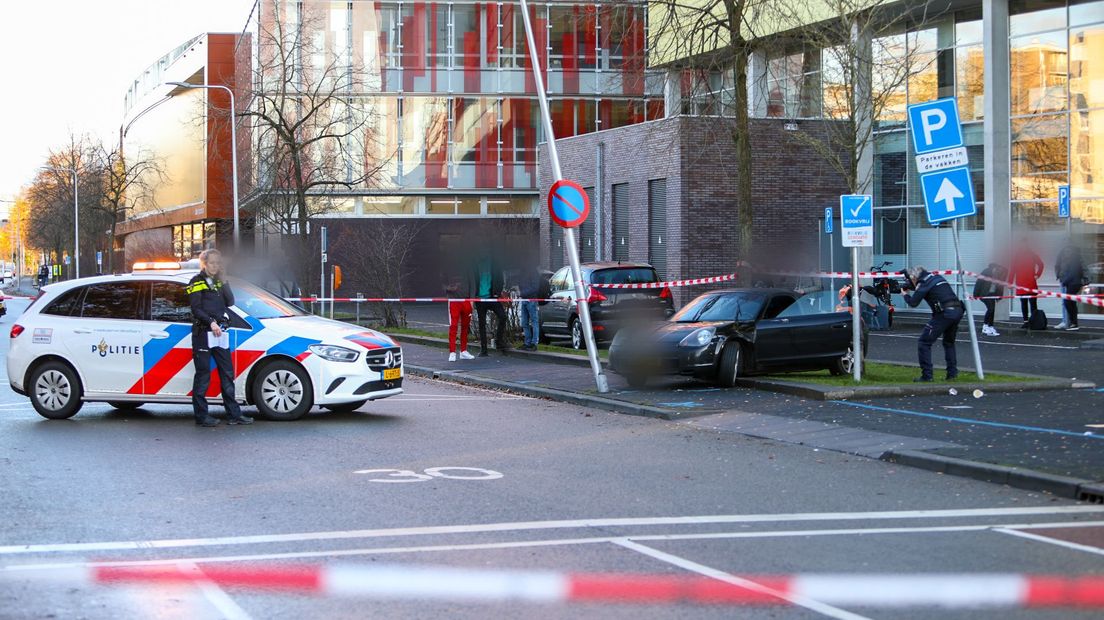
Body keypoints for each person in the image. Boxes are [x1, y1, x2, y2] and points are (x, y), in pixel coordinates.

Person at [187, 249, 253, 427]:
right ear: (204, 264)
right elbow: (196, 309)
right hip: (203, 333)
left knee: (227, 373)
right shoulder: (196, 281)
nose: (215, 266)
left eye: (218, 263)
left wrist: (224, 281)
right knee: (203, 375)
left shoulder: (217, 282)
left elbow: (230, 301)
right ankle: (202, 416)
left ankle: (234, 414)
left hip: (219, 333)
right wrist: (211, 323)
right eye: (212, 263)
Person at [903, 265, 964, 382]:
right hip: (957, 311)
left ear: (913, 277)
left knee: (924, 342)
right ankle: (952, 374)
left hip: (944, 314)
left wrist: (905, 295)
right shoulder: (936, 277)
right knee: (949, 343)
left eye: (910, 280)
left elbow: (913, 302)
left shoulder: (923, 283)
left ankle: (927, 376)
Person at [471, 246, 508, 356]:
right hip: (480, 298)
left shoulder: (494, 263)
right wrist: (473, 296)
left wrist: (498, 291)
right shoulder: (475, 264)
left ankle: (498, 341)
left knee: (503, 316)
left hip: (492, 297)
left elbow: (500, 278)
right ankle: (484, 350)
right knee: (481, 324)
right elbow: (471, 280)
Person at [442, 263, 475, 362]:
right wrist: (449, 288)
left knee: (465, 326)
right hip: (453, 300)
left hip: (466, 300)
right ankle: (452, 352)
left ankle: (463, 351)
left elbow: (472, 283)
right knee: (454, 326)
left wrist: (471, 300)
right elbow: (442, 284)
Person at [1011, 237, 1044, 328]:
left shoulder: (1032, 254)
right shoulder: (1017, 255)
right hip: (1021, 284)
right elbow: (1013, 269)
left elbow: (1041, 264)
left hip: (1030, 283)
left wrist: (1037, 275)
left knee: (1033, 303)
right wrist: (1010, 282)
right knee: (1024, 303)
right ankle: (1026, 321)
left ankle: (1034, 321)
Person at [1055, 241, 1085, 331]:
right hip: (1072, 282)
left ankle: (1073, 323)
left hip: (1073, 283)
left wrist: (1064, 281)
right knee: (1070, 302)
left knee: (1068, 302)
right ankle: (1072, 323)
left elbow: (1072, 273)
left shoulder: (1074, 258)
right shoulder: (1074, 257)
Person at [972, 262, 1007, 337]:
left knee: (993, 310)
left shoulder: (998, 275)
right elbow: (979, 282)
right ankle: (985, 327)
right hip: (984, 294)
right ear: (994, 268)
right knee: (990, 309)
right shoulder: (986, 272)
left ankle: (990, 327)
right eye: (997, 269)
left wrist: (999, 296)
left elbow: (1000, 286)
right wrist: (975, 294)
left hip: (992, 294)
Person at [516, 262, 543, 351]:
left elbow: (535, 287)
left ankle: (534, 343)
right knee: (524, 322)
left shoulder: (533, 272)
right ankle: (527, 342)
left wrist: (522, 293)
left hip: (531, 300)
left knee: (534, 321)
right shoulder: (522, 271)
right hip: (524, 299)